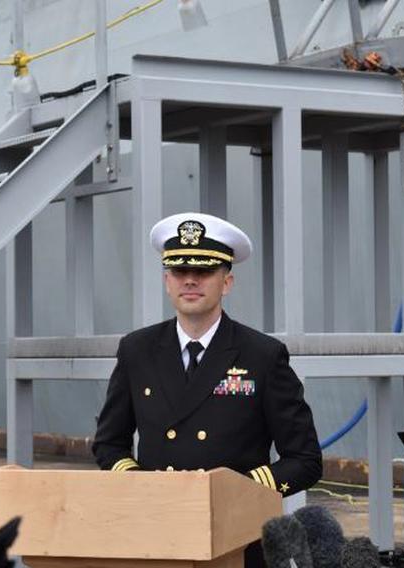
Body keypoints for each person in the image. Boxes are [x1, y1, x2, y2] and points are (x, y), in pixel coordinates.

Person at [92, 212, 323, 566]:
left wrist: (239, 491)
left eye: (202, 272)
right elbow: (109, 442)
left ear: (226, 282)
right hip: (156, 535)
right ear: (167, 280)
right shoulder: (136, 350)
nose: (190, 281)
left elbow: (305, 460)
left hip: (236, 541)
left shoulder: (262, 355)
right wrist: (139, 485)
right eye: (180, 272)